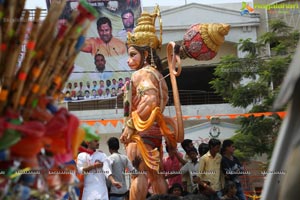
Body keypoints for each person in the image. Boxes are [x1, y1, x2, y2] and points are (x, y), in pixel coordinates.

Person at [120, 6, 180, 200]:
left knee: (138, 174)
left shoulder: (142, 73)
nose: (129, 60)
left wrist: (130, 125)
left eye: (132, 54)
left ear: (145, 55)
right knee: (156, 174)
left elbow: (150, 99)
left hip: (140, 133)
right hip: (155, 132)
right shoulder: (158, 75)